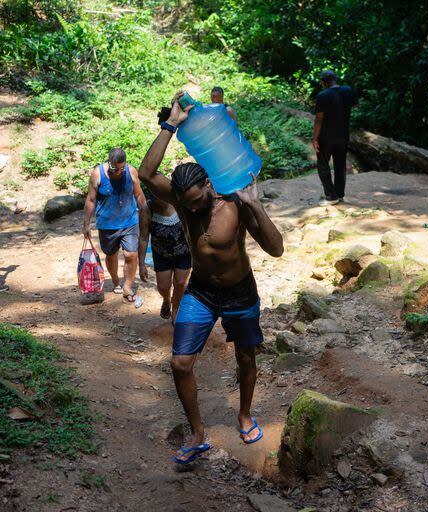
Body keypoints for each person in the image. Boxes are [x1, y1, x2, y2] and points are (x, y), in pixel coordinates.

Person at [139, 91, 284, 465]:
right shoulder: (185, 198)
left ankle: (245, 414)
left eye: (196, 200)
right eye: (185, 203)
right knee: (180, 363)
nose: (191, 208)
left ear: (208, 184)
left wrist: (255, 204)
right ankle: (198, 434)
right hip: (200, 293)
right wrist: (170, 125)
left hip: (239, 293)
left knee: (246, 358)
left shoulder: (234, 203)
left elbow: (276, 249)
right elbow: (145, 174)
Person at [82, 147, 147, 304]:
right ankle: (116, 281)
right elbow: (91, 200)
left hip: (130, 221)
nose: (118, 171)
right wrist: (86, 224)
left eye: (121, 168)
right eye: (115, 168)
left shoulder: (130, 172)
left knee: (131, 254)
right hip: (107, 224)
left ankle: (128, 286)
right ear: (109, 162)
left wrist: (145, 214)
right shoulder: (98, 174)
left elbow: (139, 194)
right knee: (111, 255)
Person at [138, 192, 191, 322]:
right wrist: (141, 264)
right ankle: (166, 299)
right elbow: (144, 238)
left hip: (184, 252)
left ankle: (175, 308)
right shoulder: (147, 209)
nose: (158, 199)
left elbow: (191, 227)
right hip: (161, 254)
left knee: (180, 283)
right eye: (154, 196)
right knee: (163, 286)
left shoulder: (179, 202)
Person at [312, 70, 357, 205]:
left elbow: (319, 119)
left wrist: (315, 138)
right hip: (343, 136)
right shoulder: (348, 90)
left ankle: (331, 196)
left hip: (326, 137)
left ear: (324, 82)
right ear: (335, 79)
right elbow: (355, 105)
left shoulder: (323, 95)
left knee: (323, 165)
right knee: (340, 166)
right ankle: (339, 194)